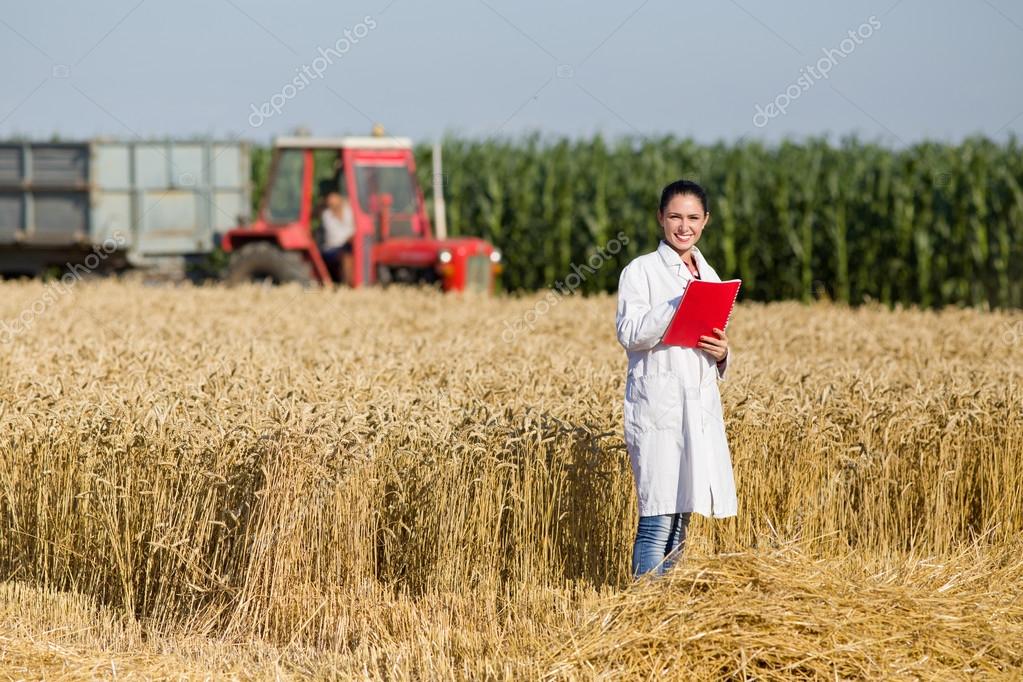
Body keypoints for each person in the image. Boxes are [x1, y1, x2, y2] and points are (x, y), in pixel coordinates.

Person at [615, 179, 735, 578]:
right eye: (675, 217)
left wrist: (723, 355)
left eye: (693, 218)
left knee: (683, 521)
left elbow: (710, 343)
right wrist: (675, 306)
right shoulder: (641, 271)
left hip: (697, 410)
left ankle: (666, 614)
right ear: (660, 219)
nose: (684, 226)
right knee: (657, 521)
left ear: (706, 221)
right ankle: (643, 614)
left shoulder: (712, 274)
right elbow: (629, 333)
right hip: (660, 412)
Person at [320, 190, 355, 286]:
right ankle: (348, 286)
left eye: (333, 199)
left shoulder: (350, 211)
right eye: (329, 201)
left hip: (350, 245)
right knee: (346, 257)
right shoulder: (326, 215)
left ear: (340, 199)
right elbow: (336, 237)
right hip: (332, 248)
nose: (331, 203)